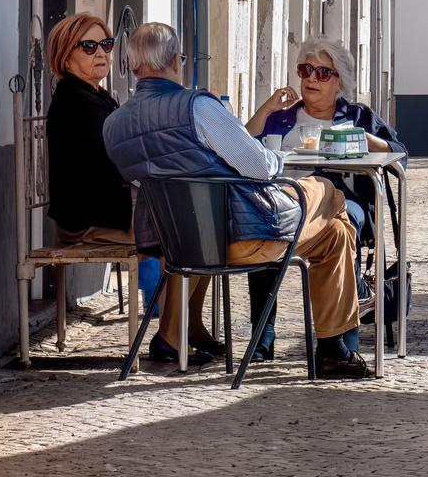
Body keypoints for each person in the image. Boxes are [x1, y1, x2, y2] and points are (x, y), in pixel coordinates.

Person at [102, 22, 371, 378]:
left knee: (336, 234)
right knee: (326, 190)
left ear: (133, 66)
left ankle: (333, 350)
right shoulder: (197, 107)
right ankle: (338, 342)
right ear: (176, 61)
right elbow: (258, 165)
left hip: (177, 244)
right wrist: (278, 159)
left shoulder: (114, 124)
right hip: (242, 236)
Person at [43, 13, 210, 365]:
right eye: (89, 46)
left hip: (112, 204)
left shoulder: (97, 96)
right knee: (190, 233)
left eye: (106, 44)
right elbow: (120, 162)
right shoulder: (75, 103)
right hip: (89, 218)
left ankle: (188, 327)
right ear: (65, 56)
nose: (101, 53)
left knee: (201, 222)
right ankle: (171, 336)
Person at [242, 37, 403, 359]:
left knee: (344, 224)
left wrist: (362, 139)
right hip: (286, 199)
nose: (311, 79)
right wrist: (266, 108)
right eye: (306, 70)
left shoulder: (358, 116)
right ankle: (264, 335)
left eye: (322, 73)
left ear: (339, 81)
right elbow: (241, 148)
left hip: (344, 202)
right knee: (263, 223)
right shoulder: (281, 117)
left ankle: (345, 336)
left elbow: (399, 155)